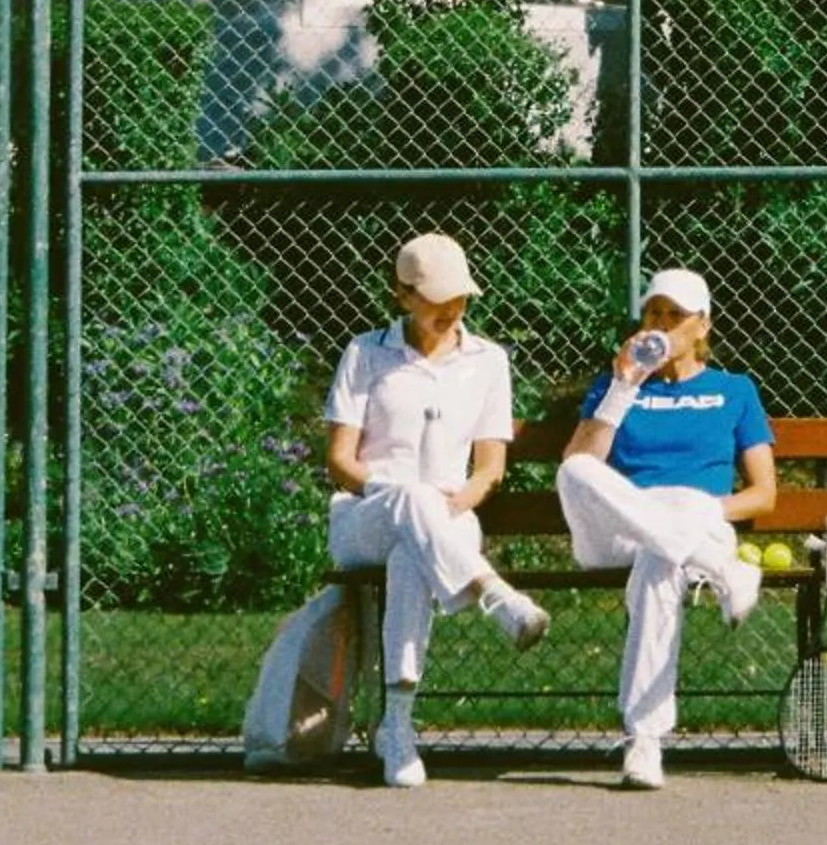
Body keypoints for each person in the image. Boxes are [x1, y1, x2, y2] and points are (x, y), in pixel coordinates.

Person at [324, 231, 551, 788]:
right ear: (402, 296)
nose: (454, 309)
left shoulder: (488, 361)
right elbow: (339, 461)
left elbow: (489, 469)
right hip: (363, 517)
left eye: (461, 298)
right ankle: (497, 598)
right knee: (410, 502)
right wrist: (397, 493)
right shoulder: (364, 353)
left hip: (449, 519)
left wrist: (455, 502)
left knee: (411, 559)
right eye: (438, 299)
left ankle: (396, 728)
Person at [556, 265, 776, 789]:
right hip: (624, 526)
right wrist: (624, 385)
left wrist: (698, 512)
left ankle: (645, 742)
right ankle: (724, 572)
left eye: (675, 315)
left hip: (698, 519)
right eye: (653, 313)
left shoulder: (734, 390)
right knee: (574, 470)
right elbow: (581, 466)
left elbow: (763, 493)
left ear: (702, 326)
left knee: (661, 561)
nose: (661, 324)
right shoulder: (617, 383)